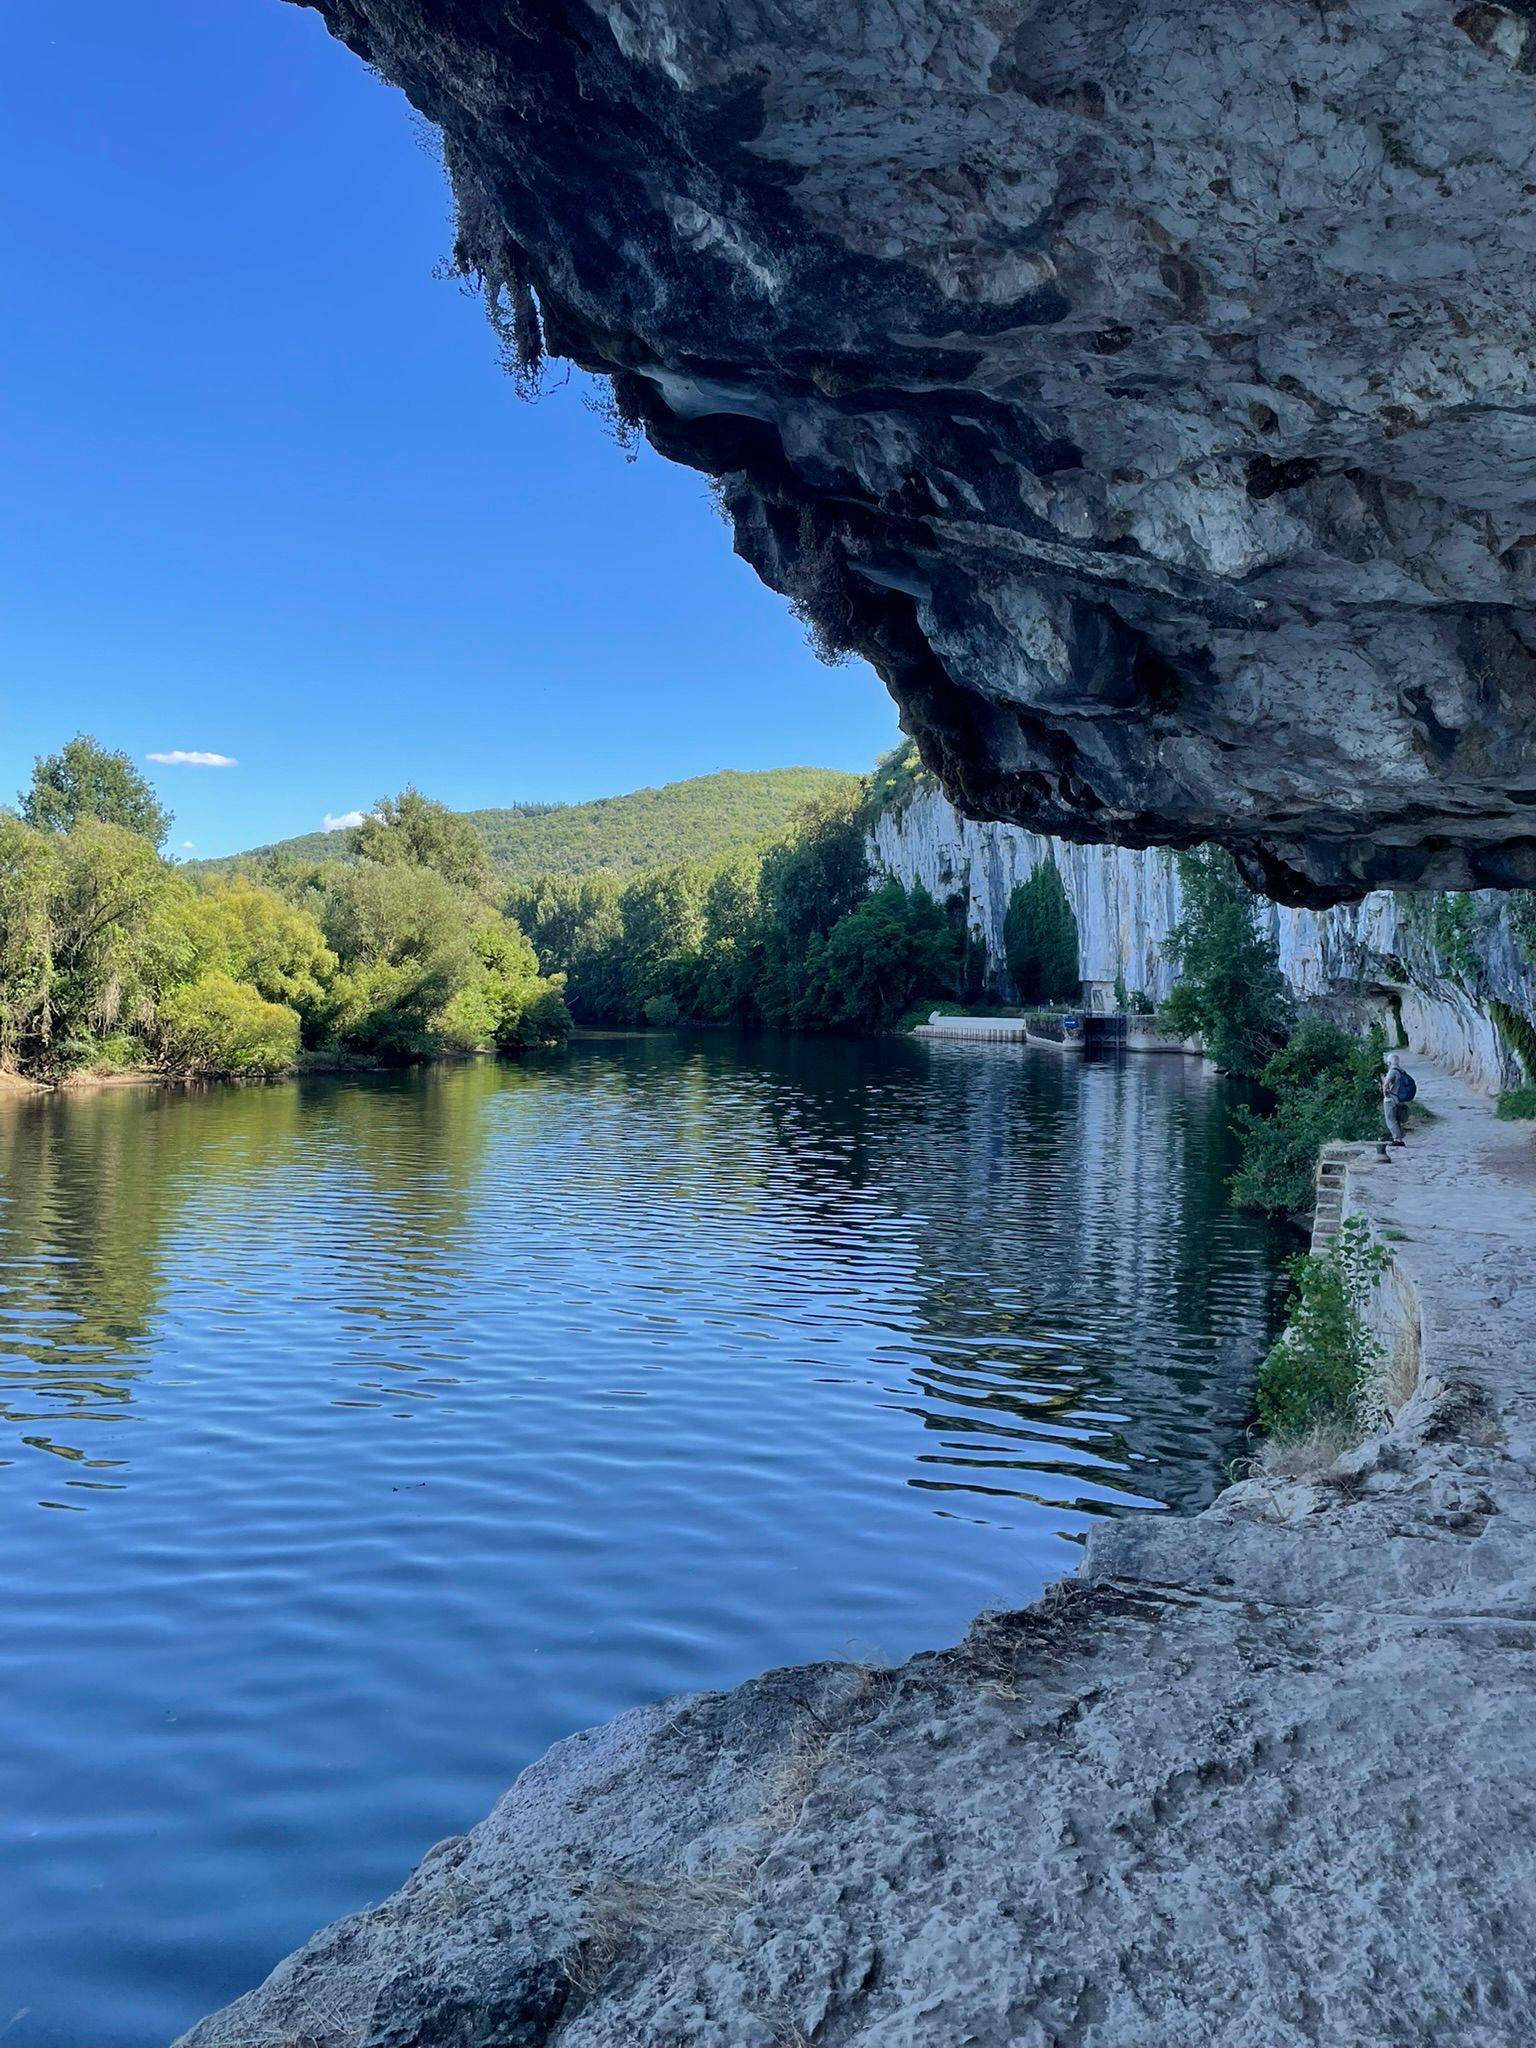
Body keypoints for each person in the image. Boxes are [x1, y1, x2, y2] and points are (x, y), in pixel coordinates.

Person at [1382, 1051, 1415, 1146]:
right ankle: (1399, 1137)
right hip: (1399, 1099)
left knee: (1390, 1119)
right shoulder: (1401, 1071)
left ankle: (1397, 1139)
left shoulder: (1392, 1071)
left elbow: (1386, 1084)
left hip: (1391, 1099)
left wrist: (1385, 1093)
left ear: (1389, 1062)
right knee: (1397, 1119)